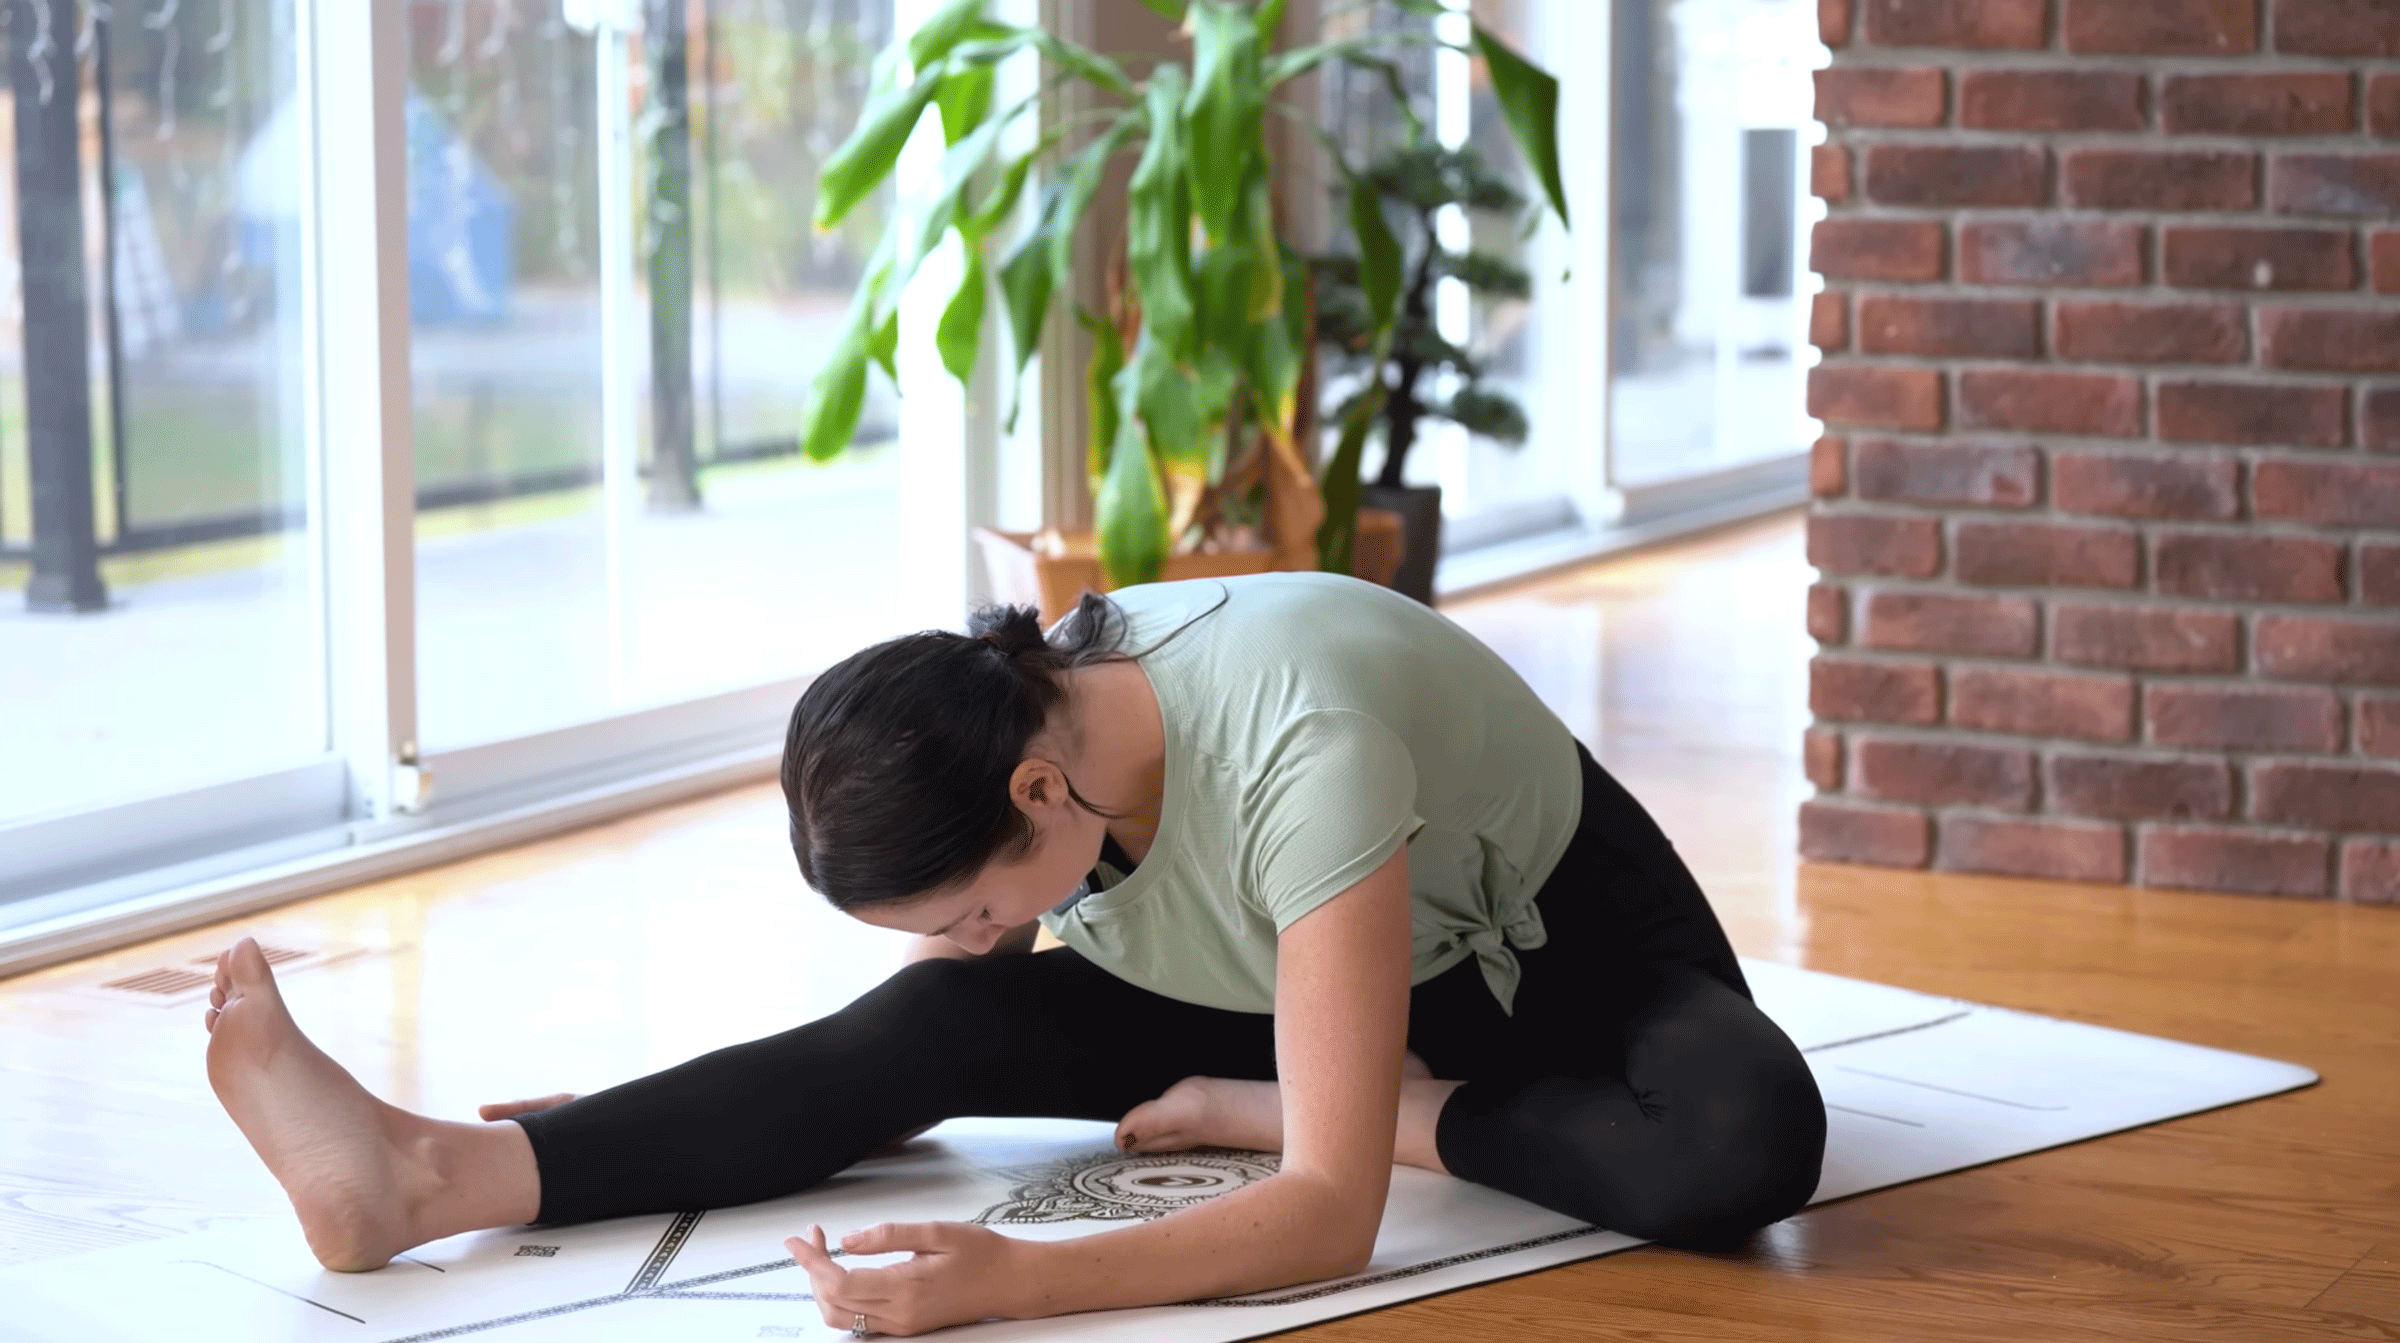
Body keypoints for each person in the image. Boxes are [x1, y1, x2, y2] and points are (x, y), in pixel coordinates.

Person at [203, 572, 1825, 1337]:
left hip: (1549, 949)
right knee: (938, 1030)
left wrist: (1023, 1278)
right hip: (1281, 973)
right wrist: (624, 1118)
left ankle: (1306, 1093)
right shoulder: (1025, 734)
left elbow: (1333, 1225)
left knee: (1742, 1139)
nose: (983, 941)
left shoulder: (1298, 737)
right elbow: (922, 1027)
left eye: (974, 907)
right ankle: (428, 1175)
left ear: (1039, 792)